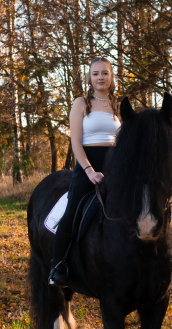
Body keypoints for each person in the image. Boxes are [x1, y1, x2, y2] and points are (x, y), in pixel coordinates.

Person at [48, 57, 119, 284]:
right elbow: (76, 142)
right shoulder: (81, 103)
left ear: (111, 77)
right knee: (72, 212)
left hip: (115, 164)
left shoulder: (119, 105)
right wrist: (89, 171)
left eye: (105, 73)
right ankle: (57, 266)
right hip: (87, 164)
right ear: (90, 77)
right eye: (96, 73)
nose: (100, 77)